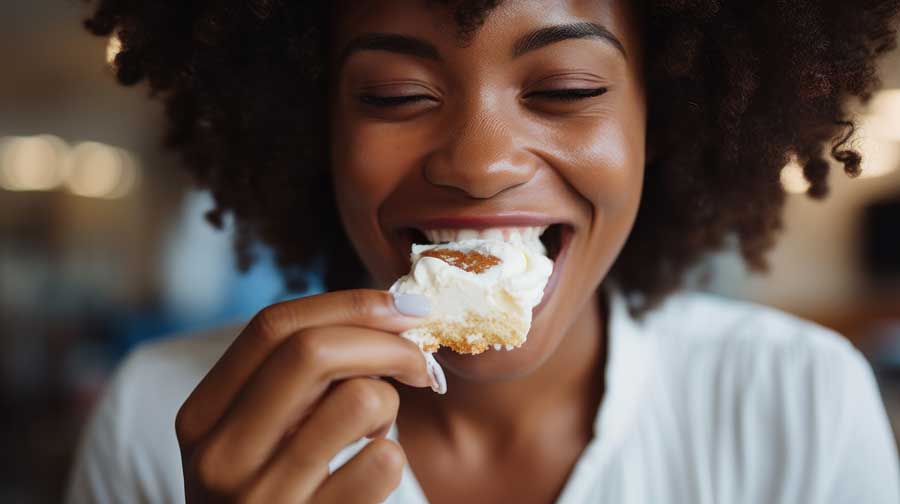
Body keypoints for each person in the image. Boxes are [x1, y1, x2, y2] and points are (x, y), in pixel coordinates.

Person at [68, 1, 900, 502]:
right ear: (313, 129)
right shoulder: (159, 418)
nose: (478, 162)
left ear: (664, 122)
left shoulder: (802, 403)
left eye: (565, 89)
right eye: (396, 95)